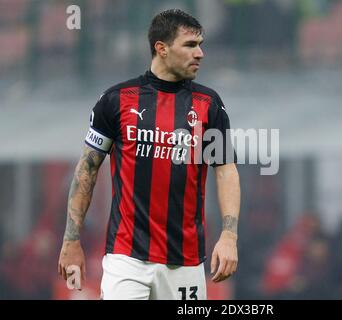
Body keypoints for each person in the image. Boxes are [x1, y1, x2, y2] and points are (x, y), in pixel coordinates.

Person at [57, 9, 241, 300]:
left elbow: (226, 169)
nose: (201, 53)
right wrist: (71, 239)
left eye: (201, 44)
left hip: (185, 261)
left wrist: (229, 236)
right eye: (190, 45)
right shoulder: (115, 101)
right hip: (126, 257)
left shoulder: (210, 105)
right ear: (162, 48)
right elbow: (87, 169)